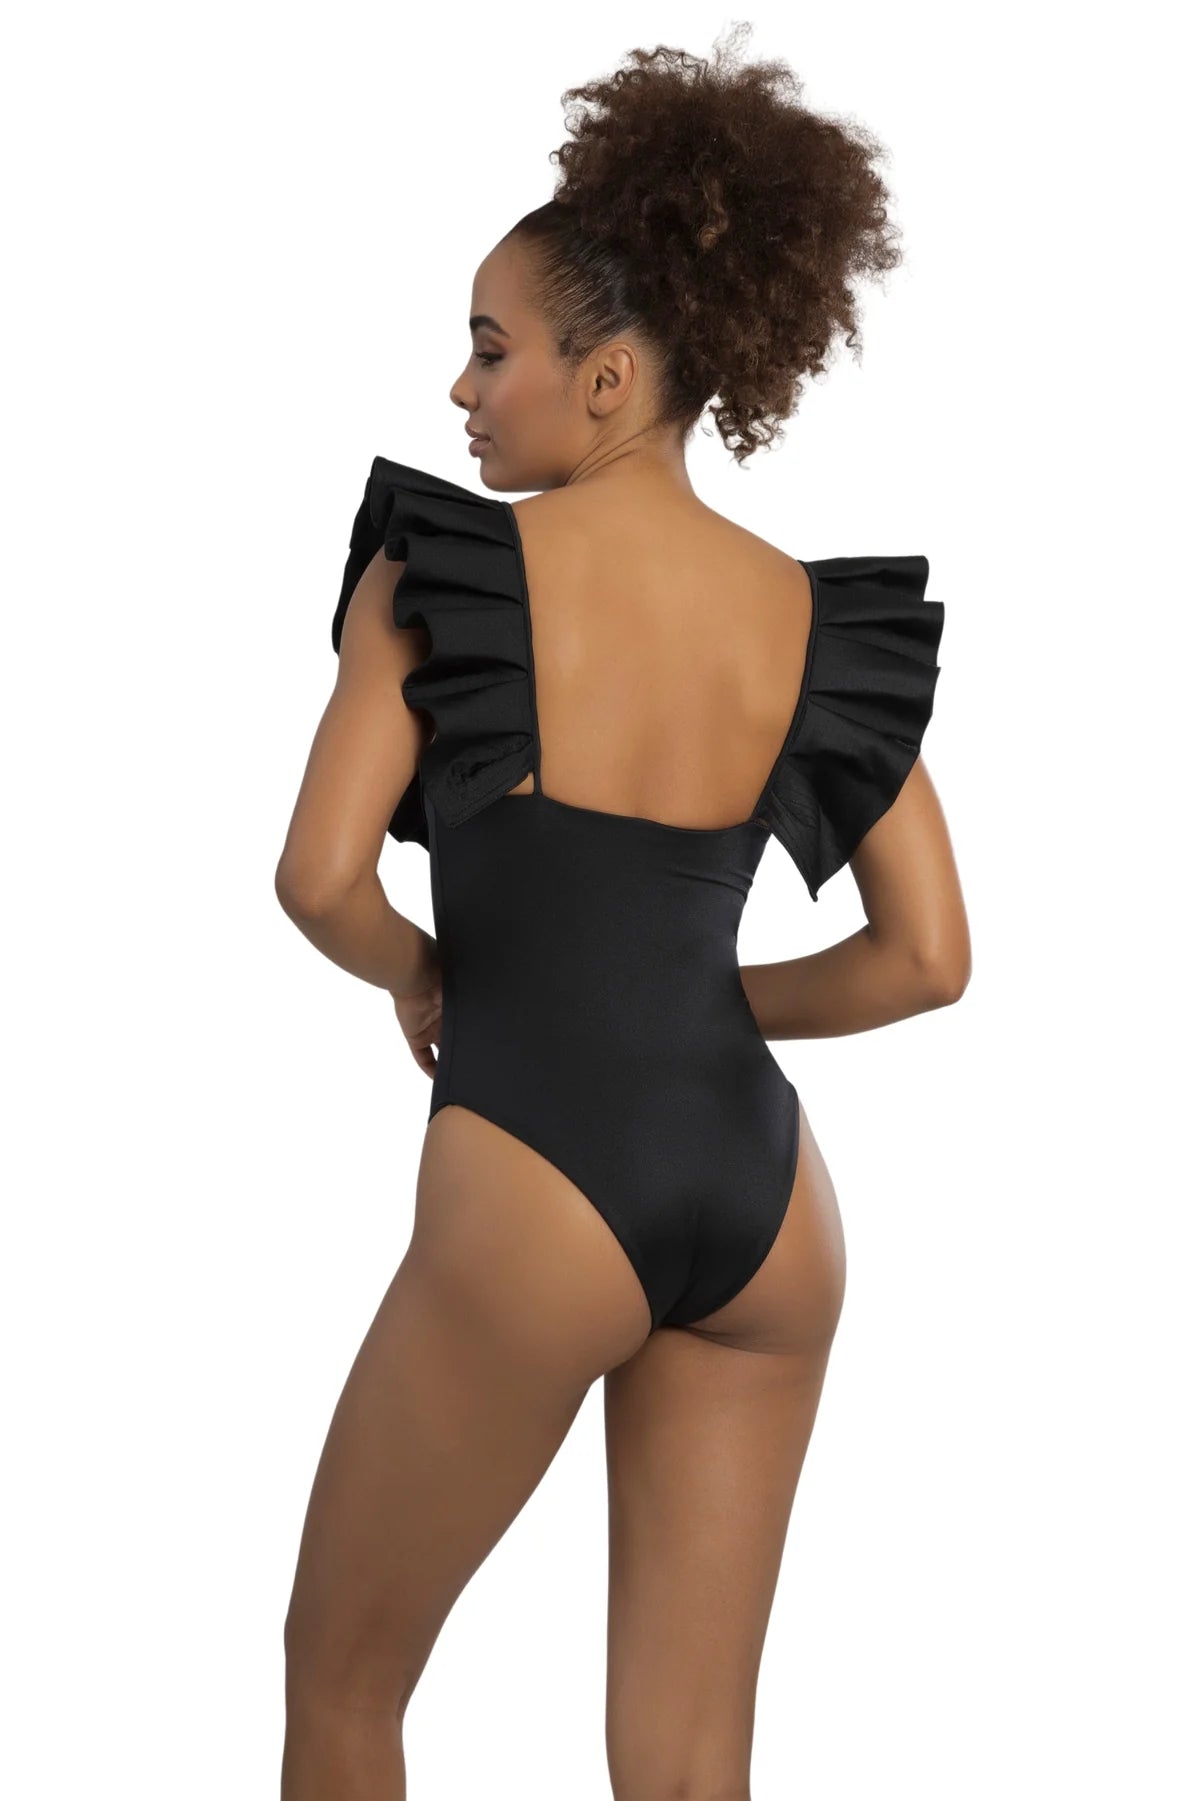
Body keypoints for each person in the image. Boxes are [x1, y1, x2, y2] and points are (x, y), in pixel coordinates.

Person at [274, 33, 970, 1801]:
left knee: (342, 1683)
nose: (459, 387)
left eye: (491, 348)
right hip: (766, 1207)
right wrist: (709, 1002)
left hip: (540, 1175)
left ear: (604, 379)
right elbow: (929, 957)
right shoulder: (807, 620)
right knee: (684, 1766)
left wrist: (427, 971)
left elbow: (320, 878)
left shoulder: (439, 574)